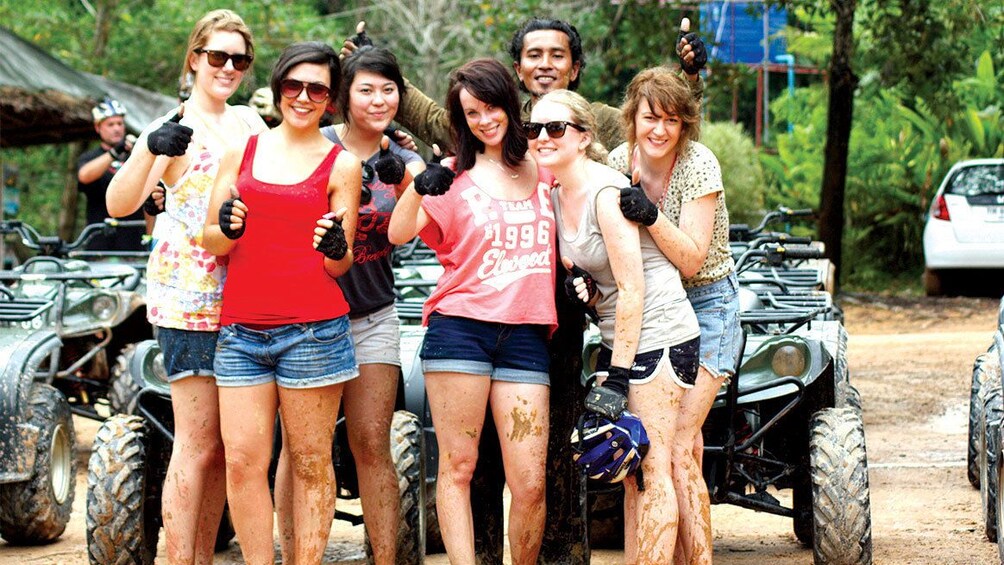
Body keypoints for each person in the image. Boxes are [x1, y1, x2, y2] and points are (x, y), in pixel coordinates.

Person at [105, 9, 267, 563]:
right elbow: (119, 204)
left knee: (226, 450)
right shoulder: (169, 124)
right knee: (195, 446)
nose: (227, 68)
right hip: (189, 299)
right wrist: (150, 147)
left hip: (246, 298)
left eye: (239, 60)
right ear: (195, 58)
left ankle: (200, 554)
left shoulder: (249, 123)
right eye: (217, 56)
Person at [388, 57, 554, 565]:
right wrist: (420, 183)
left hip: (526, 334)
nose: (485, 120)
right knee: (458, 468)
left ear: (509, 102)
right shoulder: (454, 177)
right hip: (460, 330)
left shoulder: (545, 171)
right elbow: (397, 234)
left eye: (491, 107)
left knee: (529, 481)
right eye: (472, 113)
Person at [201, 41, 361, 565]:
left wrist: (337, 248)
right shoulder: (240, 152)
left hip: (314, 331)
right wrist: (224, 227)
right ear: (277, 89)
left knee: (312, 463)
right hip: (241, 331)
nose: (303, 96)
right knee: (244, 463)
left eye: (317, 88)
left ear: (331, 99)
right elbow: (211, 238)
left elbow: (340, 263)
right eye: (294, 84)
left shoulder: (344, 164)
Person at [530, 88, 702, 564]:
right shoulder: (556, 190)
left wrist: (617, 375)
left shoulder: (605, 192)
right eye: (534, 129)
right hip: (620, 338)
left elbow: (633, 288)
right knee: (633, 471)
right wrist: (577, 286)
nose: (543, 137)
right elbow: (600, 281)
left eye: (556, 128)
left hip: (660, 333)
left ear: (583, 137)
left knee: (652, 467)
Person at [273, 45, 425, 565]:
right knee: (300, 450)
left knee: (372, 443)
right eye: (366, 88)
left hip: (373, 315)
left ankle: (385, 557)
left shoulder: (405, 161)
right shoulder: (316, 144)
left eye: (389, 88)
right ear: (342, 96)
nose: (379, 99)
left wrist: (410, 176)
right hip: (305, 317)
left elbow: (420, 224)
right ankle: (294, 555)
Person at [606, 66, 741, 564]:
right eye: (650, 118)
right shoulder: (620, 162)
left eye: (671, 120)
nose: (659, 129)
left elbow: (692, 258)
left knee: (680, 445)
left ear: (685, 125)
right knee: (649, 453)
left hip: (707, 305)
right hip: (650, 306)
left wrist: (649, 213)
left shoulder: (699, 165)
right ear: (632, 119)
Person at [344, 17, 705, 153]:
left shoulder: (603, 121)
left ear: (575, 68)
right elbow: (437, 123)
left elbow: (667, 132)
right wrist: (381, 70)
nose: (545, 64)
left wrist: (688, 78)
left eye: (557, 56)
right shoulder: (503, 121)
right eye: (534, 55)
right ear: (519, 69)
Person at [77, 97, 146, 250]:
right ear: (98, 128)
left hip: (133, 242)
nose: (116, 128)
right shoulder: (90, 158)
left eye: (120, 123)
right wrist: (114, 153)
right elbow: (84, 176)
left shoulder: (135, 157)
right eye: (110, 124)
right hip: (100, 243)